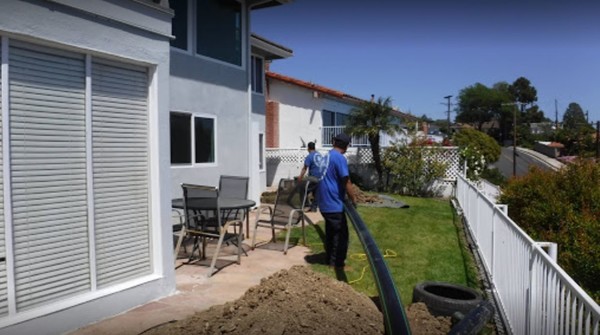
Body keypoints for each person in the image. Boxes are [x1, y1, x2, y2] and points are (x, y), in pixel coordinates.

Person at [317, 133, 357, 270]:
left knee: (331, 233)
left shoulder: (326, 156)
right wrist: (353, 199)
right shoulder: (339, 158)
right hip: (333, 203)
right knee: (341, 236)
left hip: (324, 202)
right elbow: (346, 181)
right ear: (346, 146)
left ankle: (330, 259)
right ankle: (337, 264)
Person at [297, 142, 320, 211]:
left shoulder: (310, 156)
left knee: (302, 189)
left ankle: (306, 205)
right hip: (321, 177)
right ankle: (314, 208)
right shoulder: (319, 155)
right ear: (314, 147)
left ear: (308, 148)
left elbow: (305, 168)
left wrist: (300, 176)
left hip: (313, 177)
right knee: (316, 192)